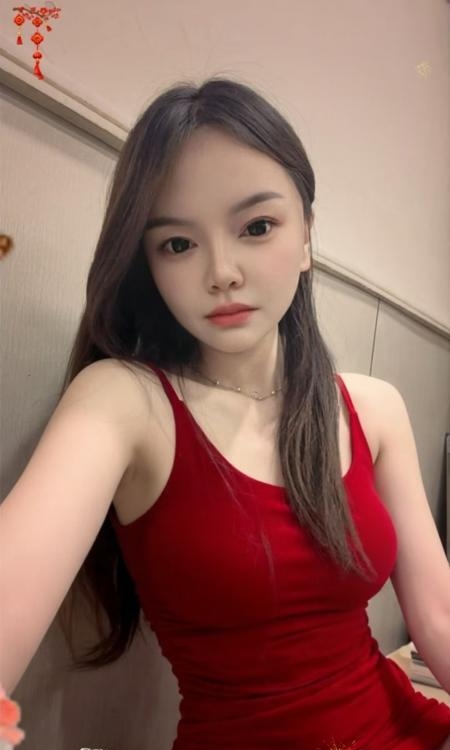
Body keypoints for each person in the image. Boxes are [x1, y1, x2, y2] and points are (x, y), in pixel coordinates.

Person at [0, 77, 449, 750]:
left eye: (257, 227)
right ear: (148, 264)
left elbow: (438, 618)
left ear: (306, 238)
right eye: (178, 244)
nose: (222, 272)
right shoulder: (125, 401)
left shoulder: (373, 407)